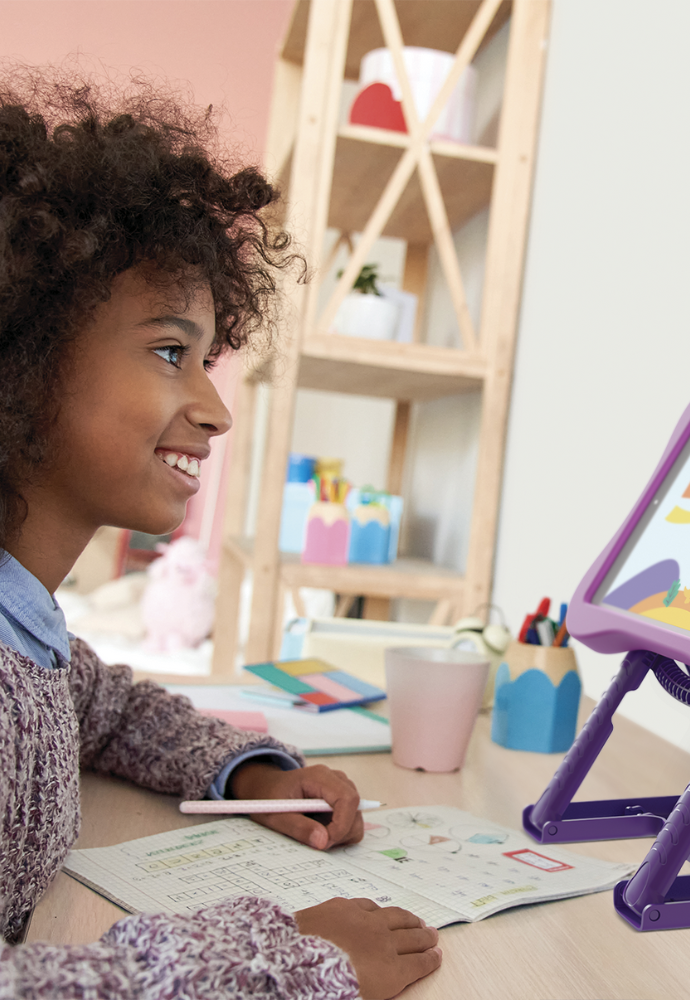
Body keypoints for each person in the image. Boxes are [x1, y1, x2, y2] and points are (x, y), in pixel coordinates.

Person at [0, 69, 442, 999]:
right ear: (23, 356)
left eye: (209, 359)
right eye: (171, 353)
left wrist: (255, 774)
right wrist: (282, 959)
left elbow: (106, 706)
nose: (213, 409)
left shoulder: (25, 629)